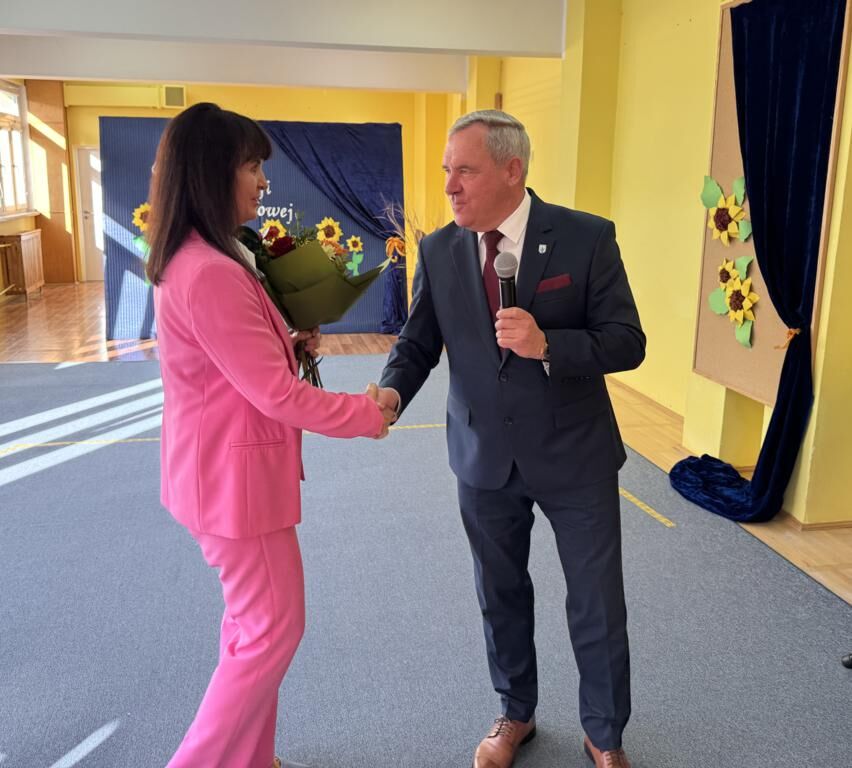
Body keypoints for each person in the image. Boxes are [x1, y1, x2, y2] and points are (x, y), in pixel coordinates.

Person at [375, 110, 645, 768]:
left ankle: (604, 732)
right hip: (483, 456)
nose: (449, 186)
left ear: (511, 170)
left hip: (575, 455)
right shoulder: (439, 249)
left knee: (596, 601)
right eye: (447, 170)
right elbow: (418, 342)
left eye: (464, 171)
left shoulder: (586, 238)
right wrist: (390, 392)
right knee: (499, 593)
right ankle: (515, 711)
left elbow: (627, 342)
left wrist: (549, 343)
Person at [146, 102, 393, 768]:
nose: (262, 181)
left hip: (218, 476)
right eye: (251, 165)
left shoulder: (199, 256)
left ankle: (250, 757)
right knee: (272, 631)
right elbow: (276, 395)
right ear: (211, 172)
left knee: (251, 627)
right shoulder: (211, 270)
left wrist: (283, 340)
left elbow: (228, 364)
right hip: (233, 487)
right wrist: (367, 415)